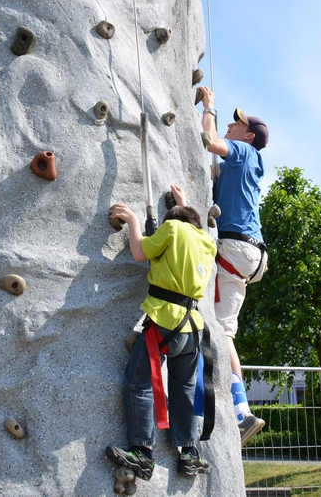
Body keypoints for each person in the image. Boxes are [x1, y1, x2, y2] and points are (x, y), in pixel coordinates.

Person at [105, 185, 217, 481]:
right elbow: (192, 226)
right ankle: (189, 452)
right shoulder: (207, 241)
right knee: (184, 389)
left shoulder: (172, 229)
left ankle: (142, 452)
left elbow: (139, 252)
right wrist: (182, 204)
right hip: (192, 327)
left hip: (164, 321)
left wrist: (132, 220)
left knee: (139, 382)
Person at [198, 85, 269, 446]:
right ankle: (241, 411)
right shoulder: (241, 165)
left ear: (249, 135)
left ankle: (239, 412)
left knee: (214, 326)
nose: (230, 124)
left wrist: (209, 107)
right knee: (225, 332)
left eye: (237, 123)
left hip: (236, 247)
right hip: (248, 252)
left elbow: (210, 140)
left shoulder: (243, 152)